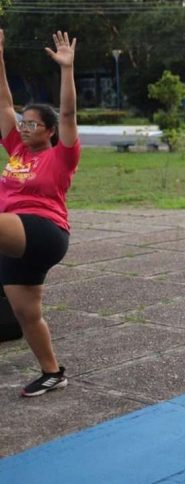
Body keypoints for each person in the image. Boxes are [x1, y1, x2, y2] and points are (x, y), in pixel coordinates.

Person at [0, 31, 80, 397]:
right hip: (15, 237)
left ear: (49, 130)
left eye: (32, 123)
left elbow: (68, 113)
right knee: (26, 313)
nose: (24, 127)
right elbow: (3, 104)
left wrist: (66, 70)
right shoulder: (17, 150)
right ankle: (52, 372)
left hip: (44, 230)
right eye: (23, 122)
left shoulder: (60, 156)